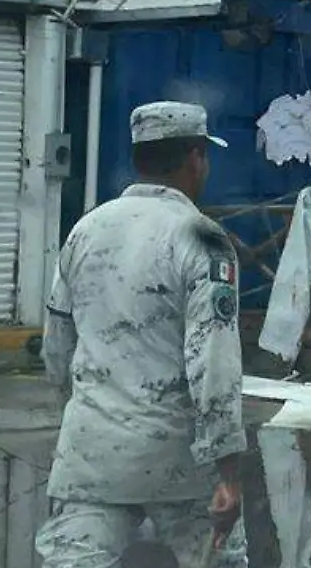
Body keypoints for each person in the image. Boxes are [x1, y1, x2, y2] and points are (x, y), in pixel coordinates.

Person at [37, 101, 249, 568]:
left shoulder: (85, 230)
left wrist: (80, 418)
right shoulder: (203, 239)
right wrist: (229, 472)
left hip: (90, 452)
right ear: (196, 157)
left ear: (139, 159)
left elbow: (56, 346)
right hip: (178, 459)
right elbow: (214, 364)